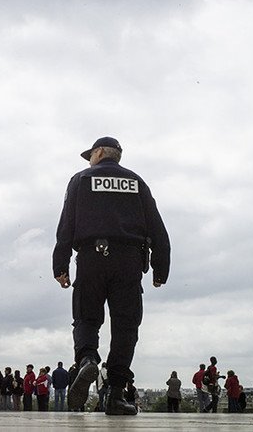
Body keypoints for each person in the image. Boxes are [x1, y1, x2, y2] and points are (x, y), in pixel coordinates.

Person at [54, 136, 170, 416]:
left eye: (90, 155)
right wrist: (160, 269)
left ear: (99, 152)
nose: (88, 160)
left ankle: (87, 359)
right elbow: (157, 228)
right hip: (129, 261)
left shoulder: (80, 180)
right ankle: (116, 394)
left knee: (86, 316)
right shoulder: (137, 182)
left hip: (91, 258)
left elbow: (66, 225)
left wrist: (60, 266)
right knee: (126, 327)